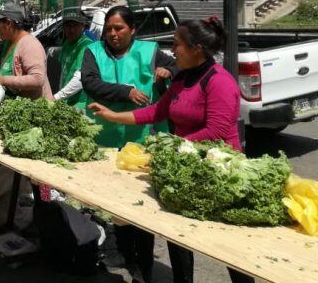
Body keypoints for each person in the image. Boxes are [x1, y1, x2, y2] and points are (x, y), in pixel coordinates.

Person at [89, 17, 253, 283]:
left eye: (176, 45)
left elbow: (216, 131)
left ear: (197, 48)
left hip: (221, 174)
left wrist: (169, 147)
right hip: (187, 170)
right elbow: (157, 111)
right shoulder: (183, 78)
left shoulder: (219, 81)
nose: (172, 51)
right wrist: (112, 116)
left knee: (230, 249)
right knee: (179, 237)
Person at [79, 5, 176, 283]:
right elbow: (91, 84)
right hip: (105, 140)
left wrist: (166, 72)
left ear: (132, 29)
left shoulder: (150, 51)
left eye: (119, 28)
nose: (113, 34)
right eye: (109, 29)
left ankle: (143, 265)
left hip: (141, 140)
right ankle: (127, 255)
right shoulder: (93, 52)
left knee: (140, 206)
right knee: (115, 206)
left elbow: (178, 66)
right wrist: (126, 92)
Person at [0, 2, 53, 100]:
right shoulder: (8, 43)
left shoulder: (30, 45)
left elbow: (37, 79)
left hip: (35, 109)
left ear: (8, 23)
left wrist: (3, 80)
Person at [53, 7, 95, 104]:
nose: (71, 29)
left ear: (83, 26)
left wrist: (56, 97)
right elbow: (63, 72)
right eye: (68, 25)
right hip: (67, 101)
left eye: (75, 25)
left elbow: (80, 78)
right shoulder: (67, 43)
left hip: (80, 103)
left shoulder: (86, 45)